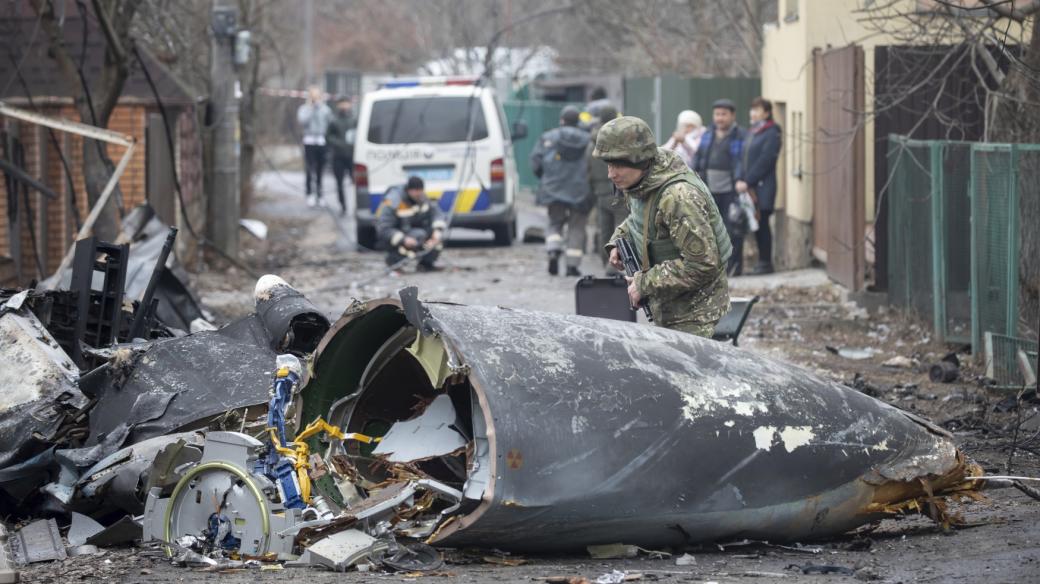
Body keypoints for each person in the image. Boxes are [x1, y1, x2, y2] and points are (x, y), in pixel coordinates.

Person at [595, 116, 732, 338]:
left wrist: (644, 283)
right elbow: (641, 220)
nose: (611, 174)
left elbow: (702, 265)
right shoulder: (643, 182)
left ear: (639, 159)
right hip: (669, 308)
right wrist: (618, 241)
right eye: (609, 165)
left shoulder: (678, 197)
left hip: (694, 315)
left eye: (618, 165)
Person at [530, 105, 592, 276]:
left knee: (554, 222)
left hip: (553, 189)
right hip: (580, 191)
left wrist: (545, 179)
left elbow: (536, 162)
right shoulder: (588, 140)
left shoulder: (548, 137)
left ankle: (553, 249)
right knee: (576, 227)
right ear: (578, 121)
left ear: (562, 120)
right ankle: (572, 266)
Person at [693, 98, 747, 276]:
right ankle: (715, 267)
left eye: (724, 114)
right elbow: (698, 157)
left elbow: (742, 162)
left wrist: (740, 179)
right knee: (710, 229)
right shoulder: (708, 133)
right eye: (717, 114)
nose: (720, 118)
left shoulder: (740, 135)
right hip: (709, 190)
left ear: (732, 115)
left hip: (731, 191)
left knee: (733, 229)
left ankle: (734, 267)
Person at [738, 97, 782, 275]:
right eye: (752, 109)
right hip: (749, 186)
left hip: (763, 186)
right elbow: (744, 158)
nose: (752, 113)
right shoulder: (753, 131)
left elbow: (766, 159)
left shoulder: (772, 131)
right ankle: (761, 262)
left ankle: (766, 262)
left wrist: (748, 180)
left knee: (762, 222)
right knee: (755, 224)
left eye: (757, 110)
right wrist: (741, 179)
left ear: (767, 112)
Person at [375, 176, 446, 272]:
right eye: (416, 191)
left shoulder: (422, 198)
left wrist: (437, 232)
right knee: (419, 236)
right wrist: (403, 239)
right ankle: (393, 262)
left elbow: (436, 212)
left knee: (436, 238)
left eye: (420, 190)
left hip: (414, 232)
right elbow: (383, 228)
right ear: (409, 190)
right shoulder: (393, 200)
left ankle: (426, 264)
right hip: (397, 237)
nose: (419, 193)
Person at [587, 105, 626, 273]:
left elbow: (587, 169)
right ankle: (618, 265)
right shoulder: (620, 140)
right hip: (620, 190)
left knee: (605, 229)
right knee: (622, 227)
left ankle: (606, 263)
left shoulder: (592, 143)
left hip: (600, 192)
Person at [296, 86, 333, 207]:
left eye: (317, 96)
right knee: (309, 169)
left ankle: (320, 194)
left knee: (320, 170)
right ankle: (309, 194)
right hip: (309, 140)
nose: (315, 99)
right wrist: (312, 109)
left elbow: (330, 123)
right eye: (313, 96)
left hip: (321, 141)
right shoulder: (304, 109)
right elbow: (302, 121)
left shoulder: (325, 109)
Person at [326, 96, 357, 216]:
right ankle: (343, 205)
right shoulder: (333, 120)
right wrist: (339, 144)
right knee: (339, 183)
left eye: (346, 103)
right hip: (338, 156)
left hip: (352, 156)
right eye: (342, 103)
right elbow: (328, 137)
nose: (344, 106)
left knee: (356, 183)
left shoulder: (354, 119)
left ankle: (357, 206)